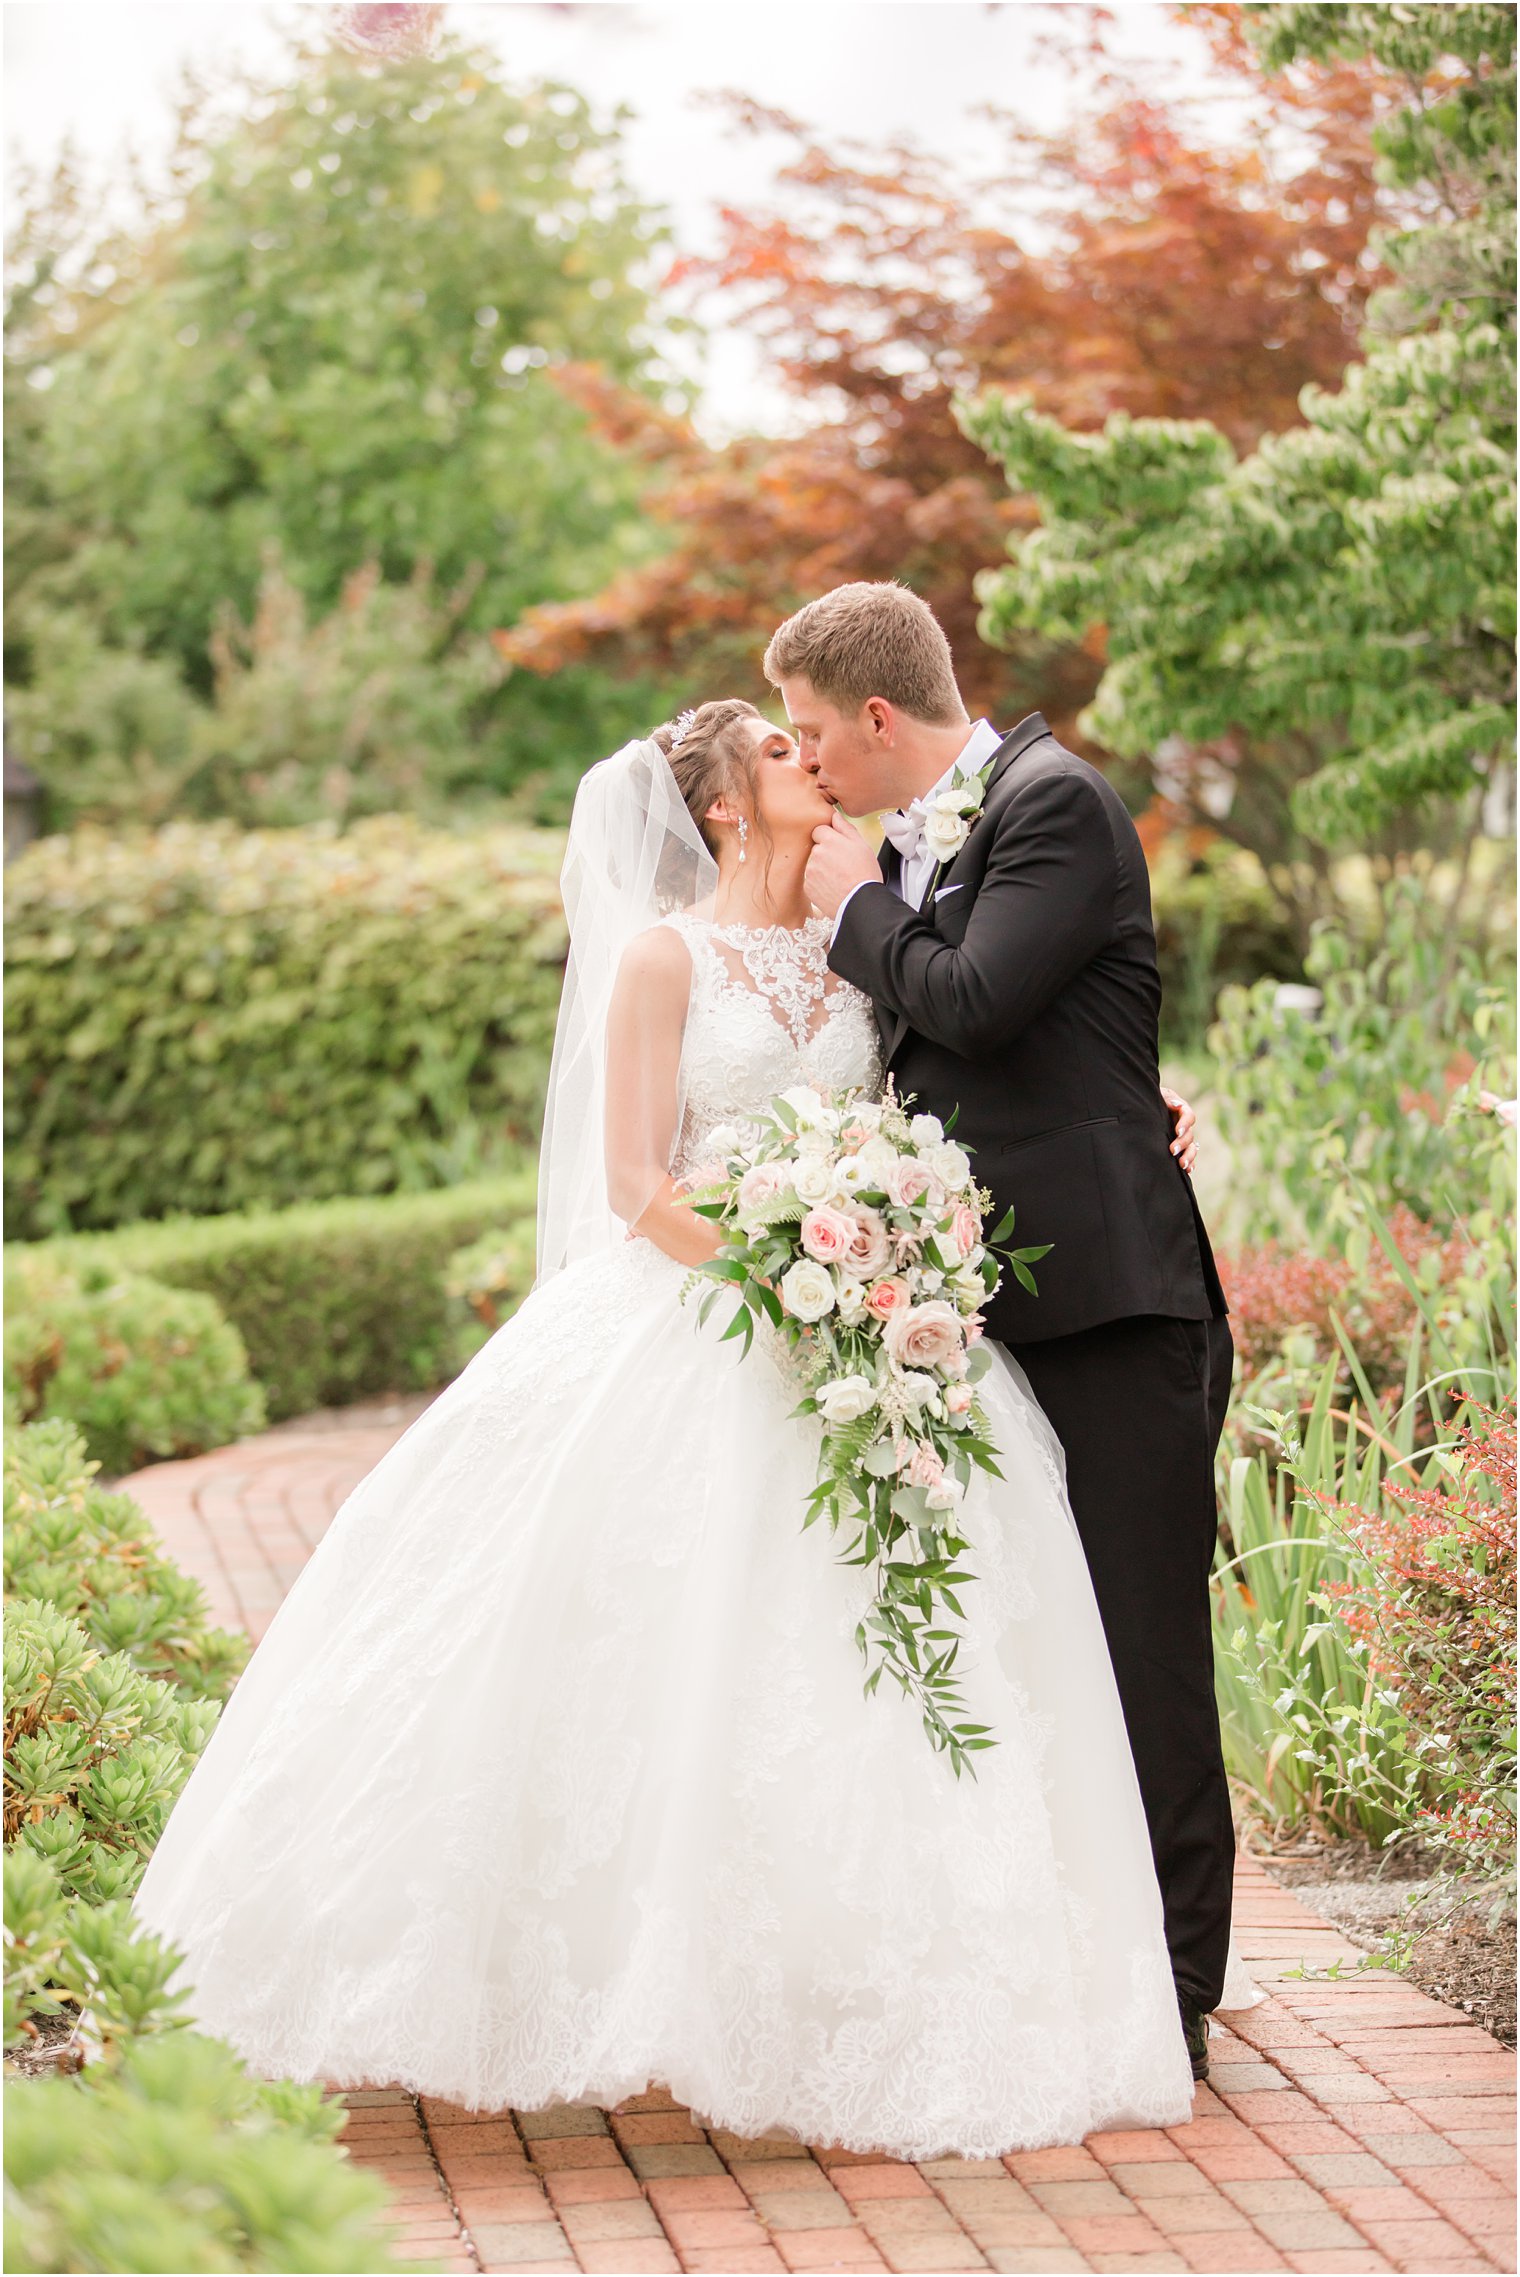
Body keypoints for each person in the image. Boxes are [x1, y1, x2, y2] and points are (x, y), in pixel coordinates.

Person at [130, 701, 1209, 2158]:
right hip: (705, 1318)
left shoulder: (855, 941)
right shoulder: (660, 958)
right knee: (646, 1653)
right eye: (779, 753)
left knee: (880, 1672)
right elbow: (638, 1179)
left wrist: (1132, 1105)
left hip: (862, 1332)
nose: (810, 766)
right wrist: (789, 1267)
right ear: (717, 806)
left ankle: (856, 1976)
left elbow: (970, 1062)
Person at [781, 582, 1237, 2081]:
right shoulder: (934, 839)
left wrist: (860, 907)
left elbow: (971, 999)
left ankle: (1176, 1991)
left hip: (1111, 1305)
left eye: (811, 736)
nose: (809, 771)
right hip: (984, 1318)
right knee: (1029, 1648)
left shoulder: (1055, 805)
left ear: (878, 717)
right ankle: (1071, 1958)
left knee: (1142, 1645)